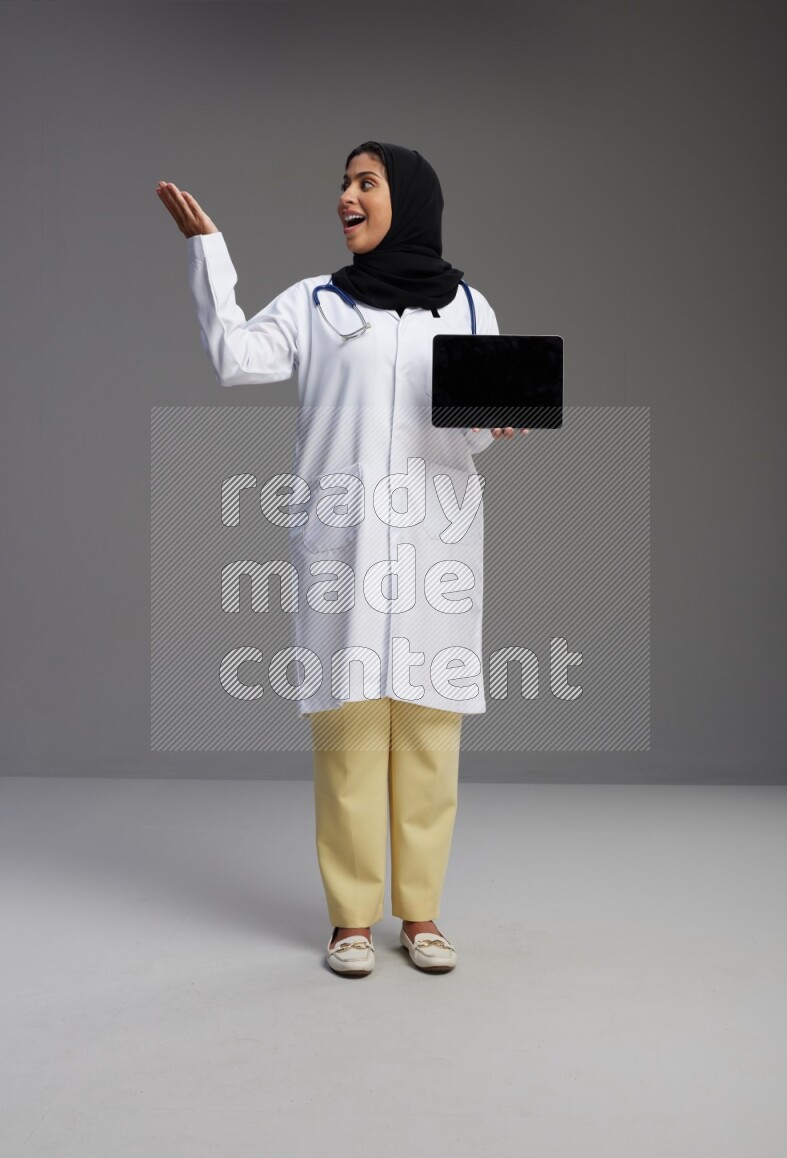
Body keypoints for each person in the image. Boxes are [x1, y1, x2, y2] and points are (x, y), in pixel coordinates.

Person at [156, 141, 528, 978]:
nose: (345, 197)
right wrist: (207, 255)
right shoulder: (317, 305)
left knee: (430, 735)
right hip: (343, 547)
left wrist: (497, 423)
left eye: (366, 183)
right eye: (345, 184)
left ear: (412, 201)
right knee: (351, 732)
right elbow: (235, 356)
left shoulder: (469, 309)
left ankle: (422, 916)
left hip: (434, 545)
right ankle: (351, 921)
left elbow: (466, 433)